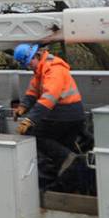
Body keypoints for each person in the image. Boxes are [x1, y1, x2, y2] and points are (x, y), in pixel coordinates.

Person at [12, 43, 87, 184]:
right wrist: (23, 106)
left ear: (35, 56)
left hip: (66, 115)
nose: (29, 67)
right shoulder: (41, 70)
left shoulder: (54, 69)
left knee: (33, 135)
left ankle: (69, 160)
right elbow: (33, 92)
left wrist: (30, 120)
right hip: (64, 115)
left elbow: (49, 97)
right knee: (61, 144)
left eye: (29, 63)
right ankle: (71, 176)